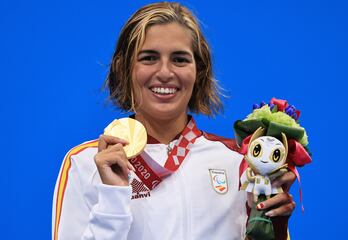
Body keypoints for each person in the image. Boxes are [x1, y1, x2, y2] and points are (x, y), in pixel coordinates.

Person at [52, 2, 296, 240]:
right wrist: (112, 198)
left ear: (199, 71)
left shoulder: (239, 161)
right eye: (149, 58)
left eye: (180, 59)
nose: (166, 73)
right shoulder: (87, 163)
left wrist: (273, 225)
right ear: (123, 68)